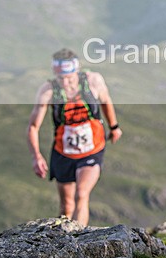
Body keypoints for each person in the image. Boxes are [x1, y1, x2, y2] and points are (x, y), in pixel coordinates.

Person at [27, 48, 122, 226]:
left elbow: (106, 101)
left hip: (92, 149)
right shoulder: (48, 91)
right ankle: (64, 241)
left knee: (81, 194)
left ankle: (80, 239)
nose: (66, 83)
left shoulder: (94, 81)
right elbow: (33, 126)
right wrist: (36, 156)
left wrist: (114, 127)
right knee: (66, 206)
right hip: (63, 153)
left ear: (76, 71)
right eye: (61, 79)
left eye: (69, 78)